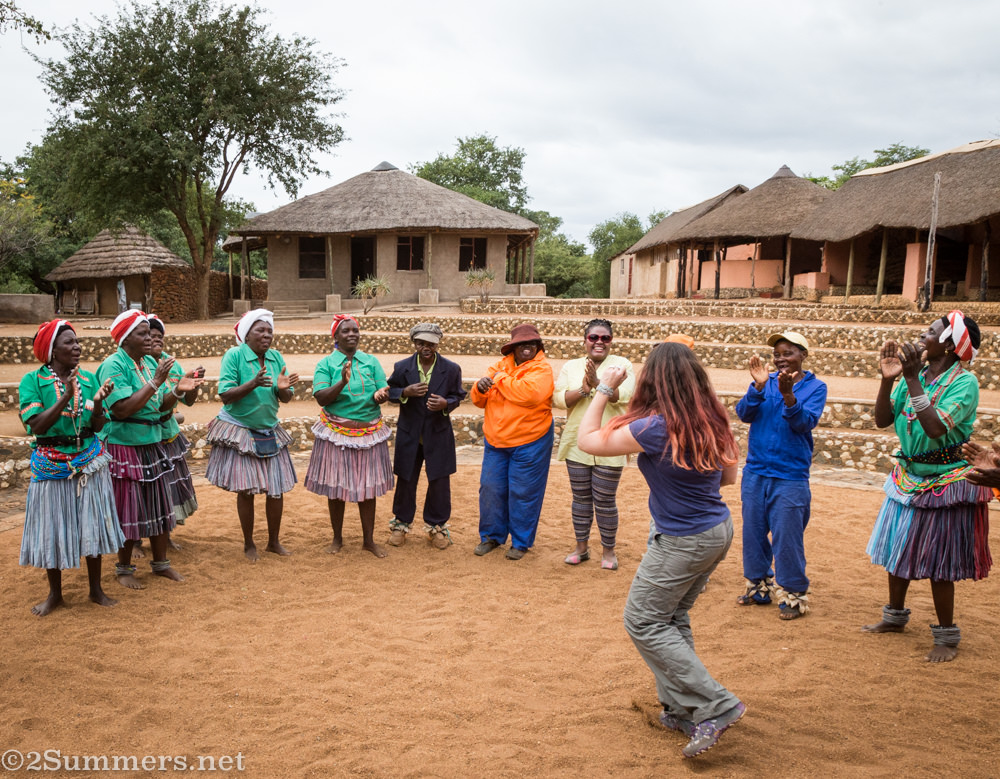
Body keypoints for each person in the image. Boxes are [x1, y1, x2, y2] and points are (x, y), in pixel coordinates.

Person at [577, 342, 745, 759]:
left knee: (643, 621)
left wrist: (603, 388)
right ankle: (680, 707)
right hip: (716, 530)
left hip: (682, 539)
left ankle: (716, 703)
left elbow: (588, 441)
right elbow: (728, 479)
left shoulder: (655, 426)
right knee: (671, 617)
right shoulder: (714, 419)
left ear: (652, 380)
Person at [862, 311, 991, 662]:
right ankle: (894, 616)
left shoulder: (964, 384)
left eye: (932, 331)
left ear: (949, 345)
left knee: (939, 558)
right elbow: (882, 420)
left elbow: (935, 429)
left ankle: (947, 635)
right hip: (909, 474)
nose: (923, 334)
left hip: (945, 481)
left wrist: (910, 378)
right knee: (897, 547)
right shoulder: (910, 377)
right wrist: (888, 381)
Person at [19, 319, 124, 615]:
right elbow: (36, 425)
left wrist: (100, 403)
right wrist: (65, 395)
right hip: (51, 464)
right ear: (52, 350)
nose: (76, 347)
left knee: (91, 523)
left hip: (88, 460)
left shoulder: (89, 379)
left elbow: (98, 424)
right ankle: (55, 594)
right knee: (52, 528)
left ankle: (95, 589)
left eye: (76, 341)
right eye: (68, 342)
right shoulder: (33, 381)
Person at [97, 310, 200, 587]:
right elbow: (120, 409)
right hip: (125, 444)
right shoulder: (113, 365)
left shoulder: (141, 364)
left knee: (158, 503)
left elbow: (158, 406)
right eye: (142, 333)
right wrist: (156, 381)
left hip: (151, 441)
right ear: (125, 338)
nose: (149, 338)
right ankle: (124, 568)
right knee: (129, 508)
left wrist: (177, 391)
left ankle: (160, 564)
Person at [735, 331, 827, 619]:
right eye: (777, 354)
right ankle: (759, 585)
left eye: (787, 352)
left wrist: (789, 396)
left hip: (789, 475)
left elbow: (804, 424)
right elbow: (744, 413)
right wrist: (758, 388)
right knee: (753, 532)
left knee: (787, 537)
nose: (780, 359)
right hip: (756, 471)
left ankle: (793, 594)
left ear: (803, 355)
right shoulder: (765, 382)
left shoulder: (816, 387)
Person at [205, 309, 299, 562]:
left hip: (269, 428)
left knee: (276, 489)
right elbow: (225, 395)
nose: (267, 335)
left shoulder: (276, 357)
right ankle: (249, 543)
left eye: (270, 331)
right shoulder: (234, 356)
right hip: (241, 429)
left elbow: (285, 397)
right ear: (247, 335)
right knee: (246, 490)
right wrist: (253, 384)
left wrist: (284, 390)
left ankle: (274, 541)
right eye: (261, 330)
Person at [304, 314, 391, 558]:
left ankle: (369, 540)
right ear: (335, 336)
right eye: (346, 331)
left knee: (368, 487)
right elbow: (321, 397)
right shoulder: (326, 364)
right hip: (336, 433)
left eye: (355, 330)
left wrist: (381, 395)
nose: (352, 334)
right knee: (336, 487)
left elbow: (381, 387)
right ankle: (337, 538)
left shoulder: (370, 361)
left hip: (368, 433)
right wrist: (342, 382)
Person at [553, 318, 634, 570]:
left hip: (611, 442)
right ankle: (581, 547)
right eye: (594, 338)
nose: (599, 342)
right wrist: (585, 388)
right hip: (578, 442)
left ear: (611, 341)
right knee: (580, 498)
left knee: (605, 499)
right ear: (585, 340)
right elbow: (559, 400)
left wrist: (600, 384)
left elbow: (626, 395)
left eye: (605, 338)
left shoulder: (622, 365)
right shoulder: (571, 366)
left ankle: (608, 552)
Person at [470, 323, 554, 561]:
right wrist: (480, 387)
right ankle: (492, 536)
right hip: (496, 441)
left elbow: (529, 395)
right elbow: (478, 400)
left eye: (531, 344)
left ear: (538, 346)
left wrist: (499, 380)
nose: (526, 347)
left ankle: (520, 541)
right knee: (490, 488)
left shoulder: (542, 369)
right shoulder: (499, 366)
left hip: (531, 441)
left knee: (524, 492)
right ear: (513, 348)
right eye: (521, 344)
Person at [386, 323, 466, 549]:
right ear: (414, 343)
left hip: (438, 435)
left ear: (438, 344)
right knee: (406, 479)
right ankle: (401, 525)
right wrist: (404, 392)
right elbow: (389, 391)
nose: (426, 347)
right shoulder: (402, 367)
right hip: (410, 435)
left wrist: (445, 403)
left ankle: (436, 527)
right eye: (421, 343)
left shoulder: (451, 369)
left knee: (439, 481)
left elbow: (458, 395)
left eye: (430, 343)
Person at [148, 314, 204, 545]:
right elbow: (157, 403)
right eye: (150, 336)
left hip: (168, 433)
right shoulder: (138, 365)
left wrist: (193, 383)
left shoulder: (171, 364)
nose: (156, 340)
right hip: (148, 436)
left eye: (159, 336)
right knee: (148, 489)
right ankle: (140, 541)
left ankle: (164, 536)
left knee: (168, 487)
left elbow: (188, 401)